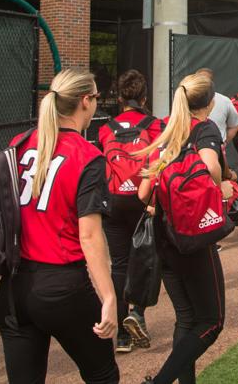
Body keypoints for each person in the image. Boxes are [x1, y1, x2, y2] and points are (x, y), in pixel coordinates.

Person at [0, 70, 117, 384]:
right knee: (103, 376)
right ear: (85, 101)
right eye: (96, 98)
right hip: (62, 285)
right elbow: (89, 235)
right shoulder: (87, 156)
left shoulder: (20, 143)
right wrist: (109, 297)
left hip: (14, 286)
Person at [137, 73, 231, 384]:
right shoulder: (204, 128)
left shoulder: (167, 129)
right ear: (210, 102)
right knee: (211, 321)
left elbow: (143, 192)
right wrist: (219, 188)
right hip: (191, 235)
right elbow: (210, 166)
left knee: (187, 319)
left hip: (164, 236)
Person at [99, 69, 159, 355]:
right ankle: (137, 314)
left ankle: (122, 336)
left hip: (113, 200)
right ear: (144, 97)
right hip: (142, 198)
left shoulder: (106, 128)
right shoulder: (154, 125)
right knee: (147, 258)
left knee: (120, 264)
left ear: (120, 97)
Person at [194, 68, 238, 178]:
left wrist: (223, 142)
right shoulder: (188, 99)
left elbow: (235, 125)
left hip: (214, 153)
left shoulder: (224, 101)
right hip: (196, 154)